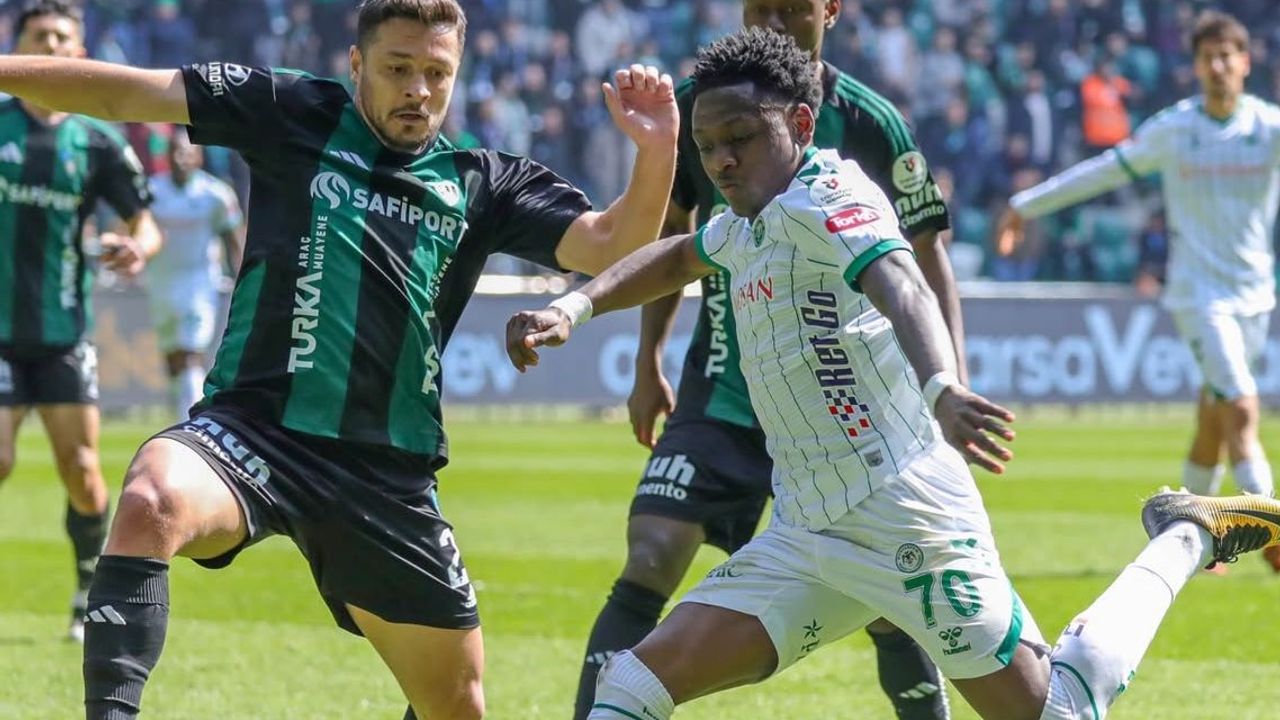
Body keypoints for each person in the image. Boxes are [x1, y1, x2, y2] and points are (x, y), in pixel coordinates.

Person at [507, 28, 1280, 720]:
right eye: (708, 147)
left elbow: (903, 283)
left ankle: (1185, 534)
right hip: (807, 531)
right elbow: (681, 255)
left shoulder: (833, 196)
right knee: (631, 683)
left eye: (739, 137)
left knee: (1061, 713)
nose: (722, 161)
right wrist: (574, 306)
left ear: (799, 124)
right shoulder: (746, 217)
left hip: (908, 518)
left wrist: (942, 386)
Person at [0, 0, 678, 717]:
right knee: (150, 499)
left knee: (457, 706)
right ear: (356, 64)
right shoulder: (292, 110)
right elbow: (126, 94)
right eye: (397, 68)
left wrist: (657, 150)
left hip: (385, 473)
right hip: (253, 433)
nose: (418, 89)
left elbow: (613, 245)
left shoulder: (484, 181)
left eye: (436, 73)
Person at [573, 2, 959, 718]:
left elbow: (924, 258)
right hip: (724, 389)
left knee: (886, 602)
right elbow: (676, 240)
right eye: (759, 5)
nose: (774, 19)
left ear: (830, 9)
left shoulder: (872, 122)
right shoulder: (706, 106)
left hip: (844, 411)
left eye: (792, 5)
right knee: (651, 554)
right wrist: (646, 362)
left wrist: (946, 384)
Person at [996, 10, 1280, 572]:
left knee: (1214, 416)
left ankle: (1190, 536)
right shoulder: (1175, 130)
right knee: (1242, 407)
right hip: (1199, 295)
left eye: (1227, 56)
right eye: (1208, 58)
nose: (1218, 66)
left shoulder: (1267, 127)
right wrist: (1025, 206)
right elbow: (1103, 170)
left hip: (1255, 293)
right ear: (1195, 66)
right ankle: (1272, 531)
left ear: (1245, 63)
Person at [0, 0, 160, 644]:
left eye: (62, 37)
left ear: (80, 52)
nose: (51, 46)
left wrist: (136, 248)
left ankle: (86, 591)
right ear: (17, 47)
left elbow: (143, 225)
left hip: (63, 333)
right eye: (39, 36)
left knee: (84, 471)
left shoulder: (97, 142)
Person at [145, 126, 243, 421]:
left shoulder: (216, 194)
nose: (182, 159)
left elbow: (233, 239)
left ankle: (189, 422)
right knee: (173, 359)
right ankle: (180, 413)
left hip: (199, 282)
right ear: (166, 156)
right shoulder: (151, 191)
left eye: (188, 153)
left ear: (199, 157)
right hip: (161, 282)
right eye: (176, 152)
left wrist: (242, 278)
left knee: (191, 354)